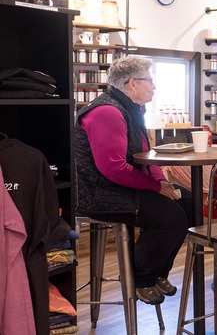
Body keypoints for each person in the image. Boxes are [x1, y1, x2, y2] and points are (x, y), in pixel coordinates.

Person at [74, 56, 191, 306]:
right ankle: (141, 278)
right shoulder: (107, 112)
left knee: (188, 202)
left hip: (121, 186)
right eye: (149, 80)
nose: (154, 86)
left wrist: (163, 183)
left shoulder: (131, 110)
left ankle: (158, 271)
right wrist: (156, 187)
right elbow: (114, 168)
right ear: (132, 84)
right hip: (99, 192)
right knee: (171, 217)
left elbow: (146, 158)